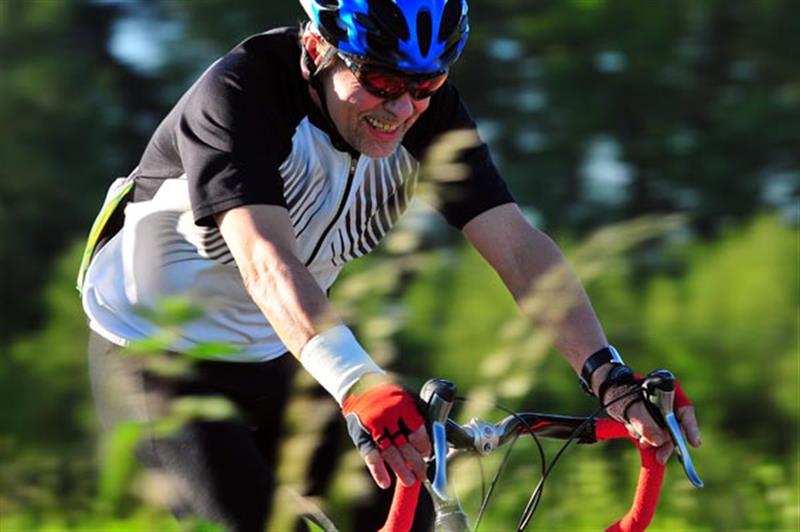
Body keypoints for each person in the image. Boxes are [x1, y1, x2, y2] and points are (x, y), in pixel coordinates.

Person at [78, 0, 702, 530]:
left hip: (282, 352)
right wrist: (360, 385)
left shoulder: (431, 113)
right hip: (159, 354)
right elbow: (264, 258)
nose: (402, 110)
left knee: (410, 517)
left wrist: (608, 375)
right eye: (380, 82)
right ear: (318, 48)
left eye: (425, 86)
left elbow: (516, 246)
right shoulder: (241, 94)